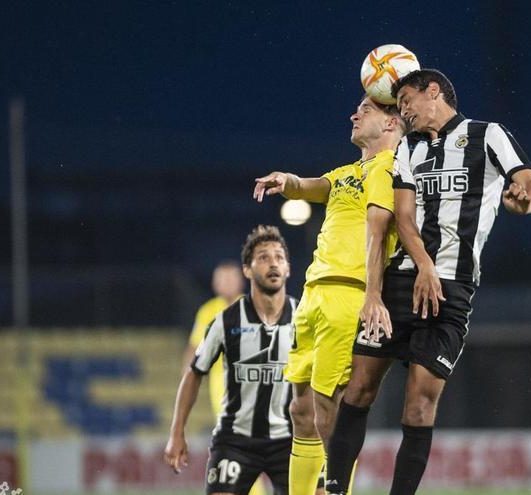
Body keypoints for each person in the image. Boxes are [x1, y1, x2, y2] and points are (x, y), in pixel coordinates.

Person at [325, 68, 531, 495]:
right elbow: (403, 217)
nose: (403, 110)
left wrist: (528, 204)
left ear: (434, 92)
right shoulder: (408, 148)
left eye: (406, 99)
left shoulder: (488, 135)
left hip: (453, 290)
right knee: (359, 388)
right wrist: (424, 264)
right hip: (401, 282)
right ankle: (333, 489)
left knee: (421, 404)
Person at [253, 96, 406, 495]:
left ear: (391, 124)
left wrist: (373, 293)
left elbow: (380, 231)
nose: (354, 115)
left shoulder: (391, 168)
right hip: (314, 293)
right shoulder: (347, 172)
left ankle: (338, 490)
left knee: (330, 411)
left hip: (348, 294)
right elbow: (311, 187)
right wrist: (287, 180)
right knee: (300, 410)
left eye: (366, 110)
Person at [165, 225, 296, 495]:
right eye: (263, 257)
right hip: (236, 437)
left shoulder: (303, 316)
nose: (272, 263)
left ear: (288, 269)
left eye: (279, 257)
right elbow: (194, 369)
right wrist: (177, 431)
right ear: (247, 270)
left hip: (291, 438)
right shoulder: (222, 318)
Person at [184, 261, 245, 417]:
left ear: (241, 281)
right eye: (223, 279)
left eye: (231, 279)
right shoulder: (207, 311)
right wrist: (188, 380)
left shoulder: (255, 307)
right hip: (221, 385)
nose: (227, 283)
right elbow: (195, 347)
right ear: (215, 284)